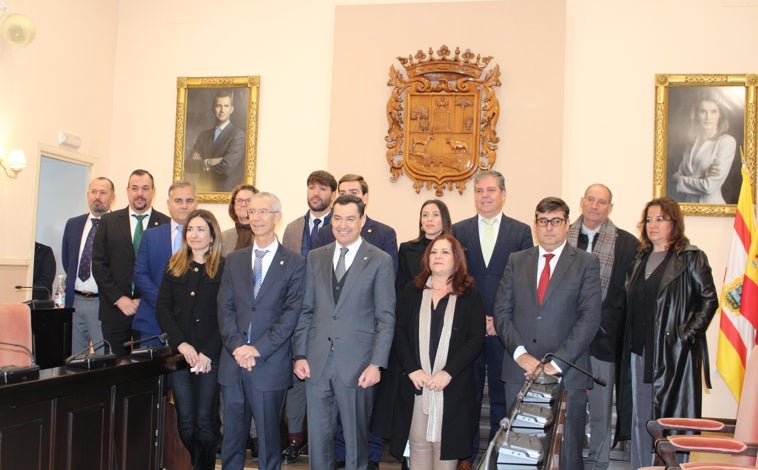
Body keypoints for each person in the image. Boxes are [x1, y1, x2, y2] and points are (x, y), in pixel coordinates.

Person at [493, 197, 601, 469]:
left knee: (566, 453)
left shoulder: (586, 263)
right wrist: (520, 355)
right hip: (520, 372)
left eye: (556, 221)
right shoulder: (517, 260)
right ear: (535, 225)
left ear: (567, 225)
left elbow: (589, 318)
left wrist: (556, 362)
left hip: (568, 372)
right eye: (543, 221)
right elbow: (502, 313)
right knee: (517, 452)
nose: (549, 227)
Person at [293, 194, 395, 470]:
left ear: (362, 220)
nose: (343, 224)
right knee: (318, 439)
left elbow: (385, 318)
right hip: (316, 362)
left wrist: (377, 364)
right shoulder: (316, 257)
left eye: (350, 218)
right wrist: (299, 354)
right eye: (337, 218)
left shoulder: (380, 260)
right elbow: (305, 310)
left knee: (355, 441)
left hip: (358, 365)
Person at [622, 197, 717, 469]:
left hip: (674, 355)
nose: (653, 225)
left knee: (672, 420)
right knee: (643, 419)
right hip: (639, 353)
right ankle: (642, 466)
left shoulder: (690, 257)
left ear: (674, 223)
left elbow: (709, 300)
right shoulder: (639, 258)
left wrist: (686, 336)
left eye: (660, 219)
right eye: (649, 219)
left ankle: (675, 466)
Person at [217, 192, 306, 470]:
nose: (255, 217)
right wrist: (238, 347)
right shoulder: (234, 260)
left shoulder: (294, 262)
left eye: (263, 212)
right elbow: (224, 309)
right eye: (252, 211)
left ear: (277, 217)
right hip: (233, 364)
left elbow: (291, 314)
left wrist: (257, 348)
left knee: (268, 443)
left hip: (270, 363)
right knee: (231, 441)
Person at [451, 170, 532, 470]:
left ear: (503, 194)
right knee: (467, 396)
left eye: (490, 190)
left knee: (501, 397)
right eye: (479, 191)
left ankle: (499, 455)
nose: (484, 196)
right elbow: (456, 279)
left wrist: (498, 320)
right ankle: (466, 456)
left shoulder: (520, 231)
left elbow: (521, 283)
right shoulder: (459, 230)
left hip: (503, 330)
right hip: (469, 331)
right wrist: (476, 320)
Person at [390, 234, 485, 470]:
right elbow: (399, 332)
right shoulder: (412, 290)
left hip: (452, 388)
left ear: (457, 259)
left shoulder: (470, 294)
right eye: (433, 252)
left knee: (445, 450)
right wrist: (412, 369)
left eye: (444, 252)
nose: (438, 257)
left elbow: (474, 340)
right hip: (417, 387)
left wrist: (447, 373)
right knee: (419, 446)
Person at [565, 184, 637, 470]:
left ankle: (598, 465)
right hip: (565, 342)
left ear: (610, 208)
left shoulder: (628, 244)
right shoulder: (561, 237)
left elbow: (627, 298)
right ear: (582, 202)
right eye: (591, 200)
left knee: (599, 412)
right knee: (567, 410)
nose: (595, 206)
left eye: (602, 202)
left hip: (603, 342)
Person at [155, 209, 224, 470]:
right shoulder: (174, 265)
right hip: (180, 356)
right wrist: (181, 344)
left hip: (210, 357)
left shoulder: (224, 267)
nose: (194, 235)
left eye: (200, 229)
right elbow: (163, 309)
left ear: (212, 235)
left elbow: (226, 315)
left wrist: (207, 352)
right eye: (190, 229)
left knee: (205, 425)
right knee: (186, 423)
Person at [280, 169, 338, 464]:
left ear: (333, 194)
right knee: (296, 378)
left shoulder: (339, 227)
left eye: (323, 188)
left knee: (321, 381)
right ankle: (293, 438)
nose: (316, 193)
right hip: (295, 312)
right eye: (312, 187)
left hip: (327, 316)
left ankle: (320, 445)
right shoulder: (292, 228)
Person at [92, 169, 170, 357]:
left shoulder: (167, 224)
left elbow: (168, 270)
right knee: (117, 370)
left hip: (151, 311)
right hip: (115, 310)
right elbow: (99, 265)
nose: (139, 193)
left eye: (145, 188)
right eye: (134, 188)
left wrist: (145, 299)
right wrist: (120, 299)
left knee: (148, 371)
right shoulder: (108, 221)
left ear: (153, 191)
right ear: (127, 191)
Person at [133, 181, 197, 347]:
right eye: (178, 201)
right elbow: (140, 274)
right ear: (168, 204)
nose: (184, 206)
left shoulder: (205, 238)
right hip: (153, 322)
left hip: (191, 325)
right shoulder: (151, 235)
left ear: (196, 203)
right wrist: (164, 303)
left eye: (189, 201)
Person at [62, 176, 116, 352]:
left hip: (103, 303)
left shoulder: (119, 226)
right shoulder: (73, 224)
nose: (97, 196)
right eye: (93, 192)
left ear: (113, 197)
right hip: (75, 302)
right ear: (87, 195)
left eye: (103, 192)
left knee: (103, 358)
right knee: (74, 359)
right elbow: (67, 260)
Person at [671, 93, 737, 204]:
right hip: (689, 208)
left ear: (720, 114)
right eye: (703, 112)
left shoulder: (726, 142)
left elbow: (709, 187)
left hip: (713, 208)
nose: (708, 117)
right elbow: (673, 180)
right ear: (696, 114)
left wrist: (680, 179)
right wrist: (701, 177)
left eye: (713, 111)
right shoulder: (691, 143)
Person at [186, 90, 246, 193]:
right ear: (214, 109)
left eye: (226, 106)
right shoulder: (203, 136)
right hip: (202, 191)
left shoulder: (238, 135)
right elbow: (188, 165)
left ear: (231, 109)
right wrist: (208, 162)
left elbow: (226, 168)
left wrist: (201, 163)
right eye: (219, 106)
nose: (222, 110)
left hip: (224, 194)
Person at [395, 200, 453, 291]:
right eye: (425, 215)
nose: (429, 219)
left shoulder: (455, 249)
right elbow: (400, 287)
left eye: (435, 215)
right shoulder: (407, 249)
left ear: (444, 220)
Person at [220, 183, 259, 256]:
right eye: (239, 200)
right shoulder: (223, 237)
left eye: (249, 200)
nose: (243, 204)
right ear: (233, 205)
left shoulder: (265, 234)